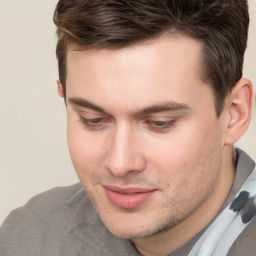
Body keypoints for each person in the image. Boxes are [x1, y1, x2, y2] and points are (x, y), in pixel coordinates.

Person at [0, 0, 255, 255]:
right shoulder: (29, 238)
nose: (120, 164)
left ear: (235, 113)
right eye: (93, 119)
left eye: (159, 123)